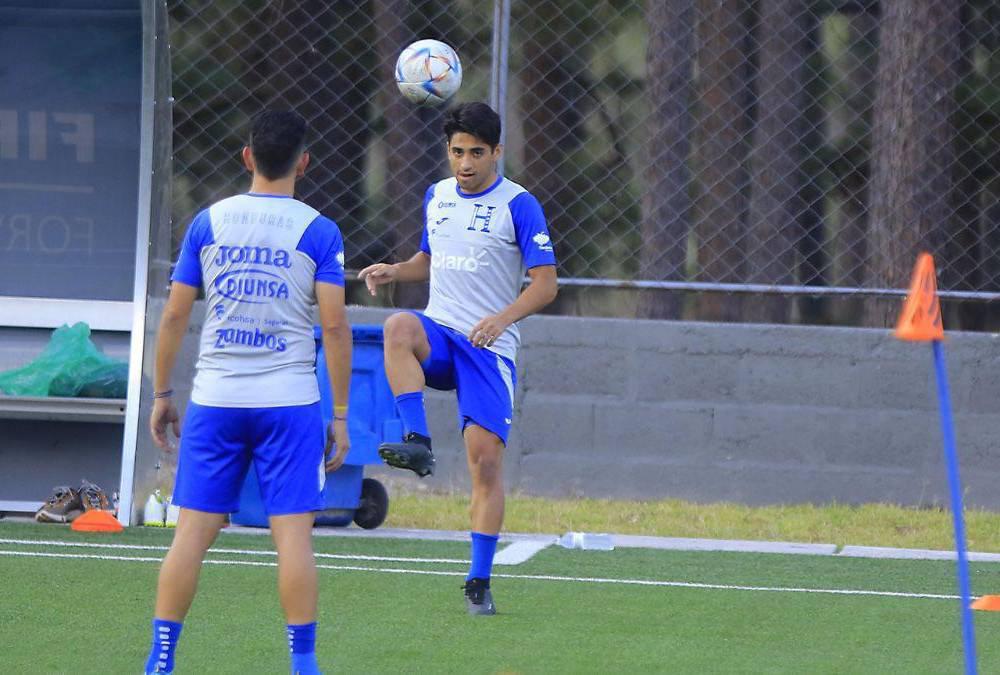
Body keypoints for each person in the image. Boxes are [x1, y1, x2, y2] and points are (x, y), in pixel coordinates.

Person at [144, 109, 352, 675]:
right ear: (303, 163)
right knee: (293, 539)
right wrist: (339, 414)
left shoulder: (208, 223)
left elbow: (175, 317)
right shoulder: (319, 230)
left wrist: (163, 392)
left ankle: (161, 662)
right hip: (289, 404)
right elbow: (333, 326)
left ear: (247, 156)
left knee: (190, 536)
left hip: (216, 399)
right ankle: (304, 667)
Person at [358, 101, 558, 616]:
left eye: (475, 153)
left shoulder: (520, 204)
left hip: (488, 350)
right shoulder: (437, 196)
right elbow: (429, 260)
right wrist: (393, 271)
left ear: (496, 153)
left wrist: (502, 319)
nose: (464, 163)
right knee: (398, 325)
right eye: (456, 152)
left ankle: (478, 581)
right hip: (442, 334)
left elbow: (546, 285)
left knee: (485, 463)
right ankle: (417, 440)